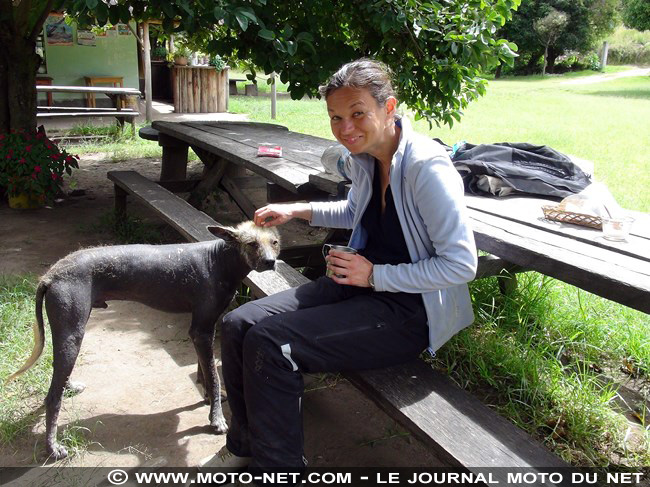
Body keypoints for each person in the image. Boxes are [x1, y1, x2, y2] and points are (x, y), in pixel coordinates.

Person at [200, 58, 477, 474]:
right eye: (336, 117)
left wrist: (376, 274)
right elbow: (357, 210)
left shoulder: (426, 167)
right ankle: (245, 445)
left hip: (408, 312)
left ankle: (280, 472)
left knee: (271, 343)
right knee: (239, 324)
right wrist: (297, 210)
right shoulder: (366, 156)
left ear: (389, 108)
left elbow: (461, 264)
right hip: (357, 286)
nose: (345, 128)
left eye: (358, 113)